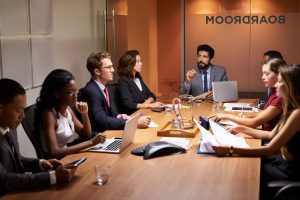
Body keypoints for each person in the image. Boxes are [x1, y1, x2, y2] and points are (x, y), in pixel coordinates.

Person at [212, 64, 300, 198]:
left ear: (290, 85)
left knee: (242, 170)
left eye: (280, 81)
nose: (276, 85)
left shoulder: (297, 113)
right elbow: (270, 135)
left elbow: (270, 149)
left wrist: (231, 149)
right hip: (280, 160)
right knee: (241, 163)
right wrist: (240, 129)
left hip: (288, 169)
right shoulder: (291, 108)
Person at [0, 78, 76, 196]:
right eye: (18, 110)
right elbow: (4, 180)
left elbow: (16, 159)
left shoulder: (10, 128)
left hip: (18, 191)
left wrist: (40, 163)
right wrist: (52, 176)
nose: (23, 116)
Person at [36, 69, 106, 159]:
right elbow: (53, 152)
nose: (75, 95)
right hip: (55, 162)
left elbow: (86, 135)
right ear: (57, 94)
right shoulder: (49, 114)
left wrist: (84, 114)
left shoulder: (67, 109)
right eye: (70, 92)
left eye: (76, 91)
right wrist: (91, 143)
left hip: (66, 155)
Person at [79, 52, 151, 133]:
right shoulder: (91, 91)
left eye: (112, 66)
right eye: (108, 67)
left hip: (110, 131)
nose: (113, 70)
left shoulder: (103, 88)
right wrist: (131, 123)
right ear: (97, 71)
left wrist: (119, 116)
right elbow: (101, 120)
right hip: (101, 136)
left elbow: (109, 113)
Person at [213, 58, 286, 131]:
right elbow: (264, 113)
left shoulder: (280, 97)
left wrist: (226, 116)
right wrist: (247, 118)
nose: (262, 77)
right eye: (263, 73)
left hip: (264, 136)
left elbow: (253, 123)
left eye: (267, 74)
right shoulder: (274, 91)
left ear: (279, 75)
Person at [117, 50, 163, 115]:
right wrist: (150, 105)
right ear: (130, 64)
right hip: (133, 115)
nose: (141, 63)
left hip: (143, 112)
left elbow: (151, 95)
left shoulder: (138, 78)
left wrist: (147, 102)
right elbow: (128, 105)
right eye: (138, 61)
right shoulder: (123, 81)